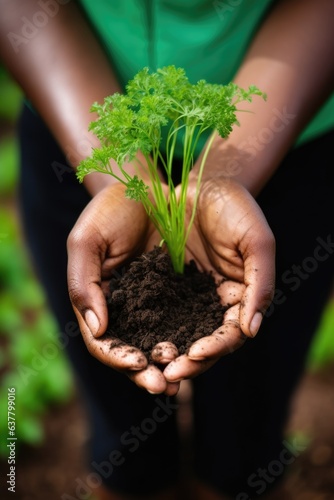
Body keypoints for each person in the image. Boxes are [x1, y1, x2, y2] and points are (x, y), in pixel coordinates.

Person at [0, 0, 333, 498]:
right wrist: (123, 178)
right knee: (119, 424)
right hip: (79, 134)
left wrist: (222, 176)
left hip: (285, 139)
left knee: (249, 418)